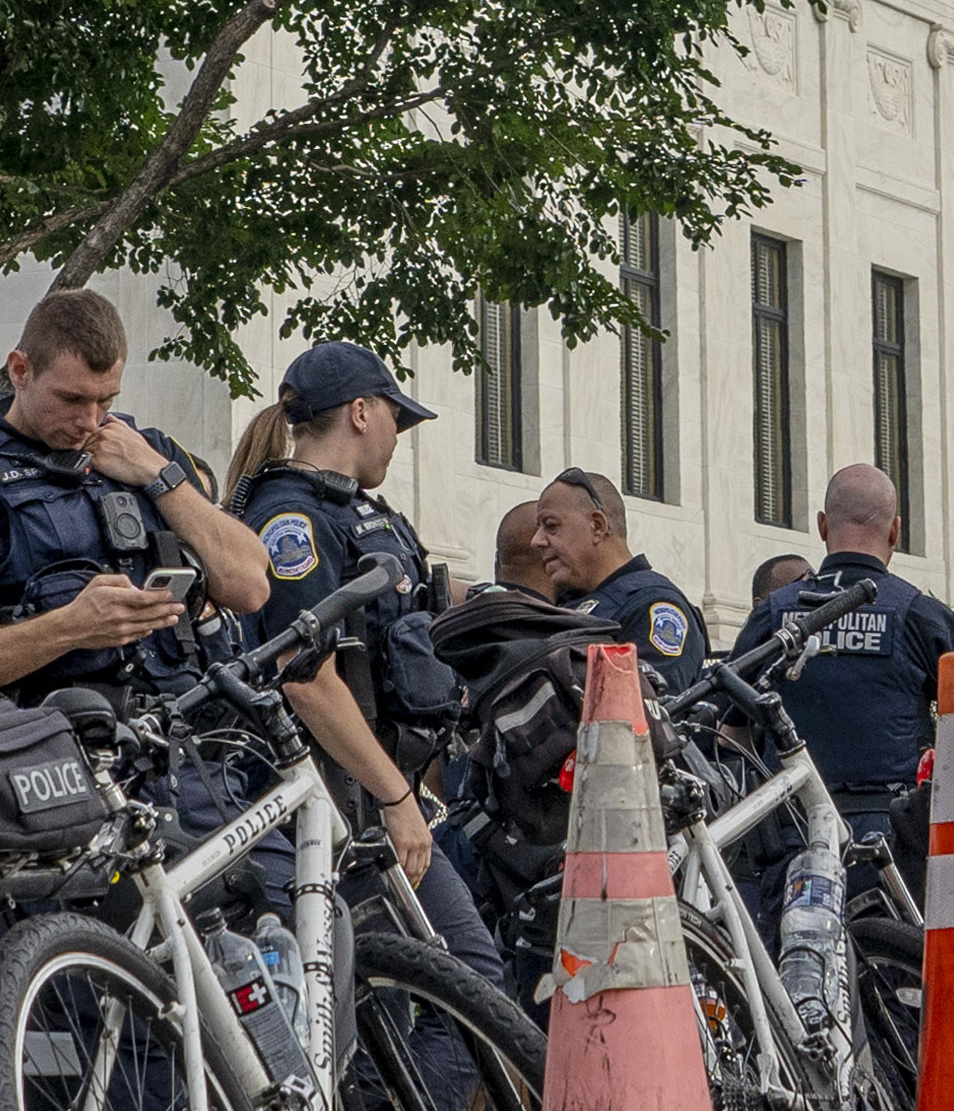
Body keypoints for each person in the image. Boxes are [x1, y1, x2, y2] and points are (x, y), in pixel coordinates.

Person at [216, 342, 505, 986]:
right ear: (361, 411)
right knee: (450, 985)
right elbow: (306, 680)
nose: (398, 437)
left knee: (430, 992)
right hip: (337, 801)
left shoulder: (357, 512)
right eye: (395, 420)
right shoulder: (291, 518)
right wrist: (397, 799)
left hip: (373, 792)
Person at [0, 287, 266, 711]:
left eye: (105, 400)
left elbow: (249, 587)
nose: (89, 421)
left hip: (192, 743)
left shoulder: (150, 451)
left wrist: (159, 476)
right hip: (57, 757)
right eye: (71, 399)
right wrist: (70, 627)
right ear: (20, 371)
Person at [757, 464, 954, 815]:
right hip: (891, 835)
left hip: (790, 823)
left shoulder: (772, 612)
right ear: (895, 531)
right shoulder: (923, 616)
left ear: (822, 525)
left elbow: (729, 730)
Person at [534, 468, 709, 696]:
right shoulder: (564, 603)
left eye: (551, 526)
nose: (536, 540)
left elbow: (646, 711)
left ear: (597, 525)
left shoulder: (652, 606)